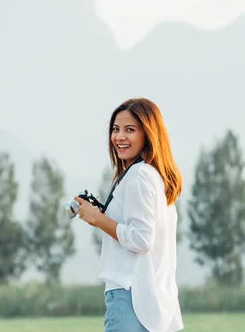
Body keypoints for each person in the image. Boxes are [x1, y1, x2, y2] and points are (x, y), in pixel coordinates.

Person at [75, 97, 183, 332]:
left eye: (130, 130)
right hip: (152, 301)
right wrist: (101, 218)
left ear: (148, 133)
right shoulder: (154, 176)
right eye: (115, 129)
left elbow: (142, 239)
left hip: (130, 296)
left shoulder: (138, 176)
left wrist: (97, 219)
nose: (119, 137)